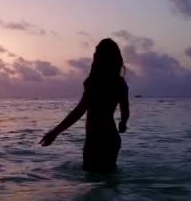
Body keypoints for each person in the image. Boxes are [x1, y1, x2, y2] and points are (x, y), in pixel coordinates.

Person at [40, 38, 130, 173]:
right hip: (111, 139)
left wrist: (55, 132)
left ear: (97, 58)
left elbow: (79, 110)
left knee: (92, 183)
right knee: (110, 183)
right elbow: (125, 110)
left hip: (95, 139)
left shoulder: (95, 82)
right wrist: (122, 123)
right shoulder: (120, 83)